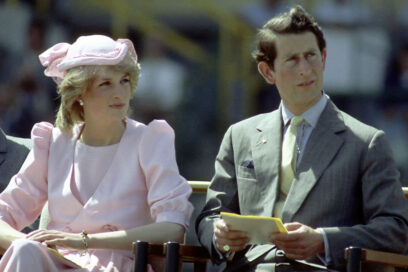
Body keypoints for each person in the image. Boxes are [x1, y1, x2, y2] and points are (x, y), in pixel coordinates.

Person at [196, 6, 408, 272]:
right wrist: (219, 234)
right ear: (267, 72)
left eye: (311, 56)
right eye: (292, 60)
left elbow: (396, 230)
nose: (305, 69)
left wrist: (323, 241)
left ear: (324, 58)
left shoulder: (367, 142)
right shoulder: (240, 135)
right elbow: (210, 216)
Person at [0, 34, 193, 272]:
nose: (120, 93)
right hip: (57, 261)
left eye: (124, 80)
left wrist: (83, 241)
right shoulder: (53, 142)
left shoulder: (150, 140)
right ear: (79, 93)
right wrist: (28, 242)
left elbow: (172, 226)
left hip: (118, 266)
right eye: (106, 84)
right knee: (24, 251)